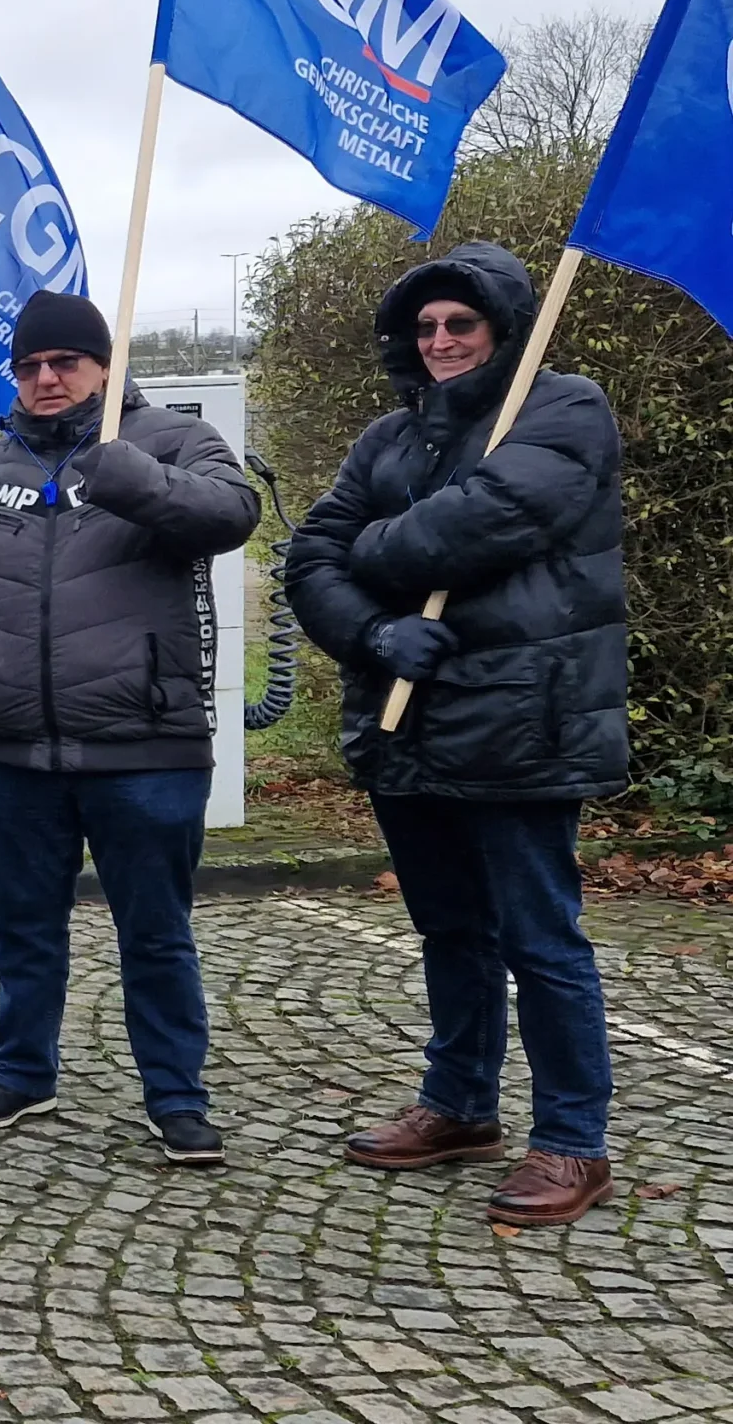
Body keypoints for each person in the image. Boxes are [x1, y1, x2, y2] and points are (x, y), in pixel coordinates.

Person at [286, 242, 624, 1227]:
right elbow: (309, 555)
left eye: (459, 325)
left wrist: (367, 555)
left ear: (501, 330)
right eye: (424, 326)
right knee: (450, 930)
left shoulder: (563, 410)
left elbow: (482, 520)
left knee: (540, 938)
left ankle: (571, 1140)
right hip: (408, 724)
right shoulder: (383, 440)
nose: (438, 341)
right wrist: (371, 629)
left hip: (522, 722)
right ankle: (459, 1105)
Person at [0, 290, 258, 1166]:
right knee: (24, 926)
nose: (45, 378)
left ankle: (177, 1096)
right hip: (16, 748)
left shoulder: (170, 442)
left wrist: (126, 473)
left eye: (64, 361)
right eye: (29, 366)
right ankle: (23, 1073)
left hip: (144, 746)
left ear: (104, 366)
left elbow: (231, 515)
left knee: (156, 932)